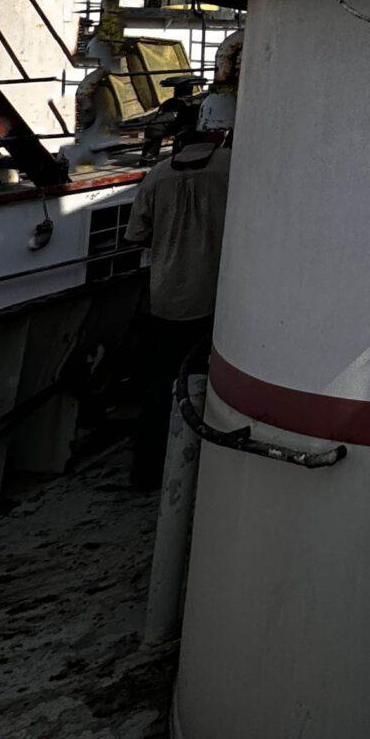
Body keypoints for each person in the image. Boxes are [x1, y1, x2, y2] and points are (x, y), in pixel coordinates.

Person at [125, 125, 233, 487]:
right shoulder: (232, 167)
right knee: (212, 384)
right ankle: (205, 470)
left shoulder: (157, 174)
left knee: (161, 386)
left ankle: (147, 471)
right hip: (215, 296)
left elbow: (137, 234)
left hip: (166, 296)